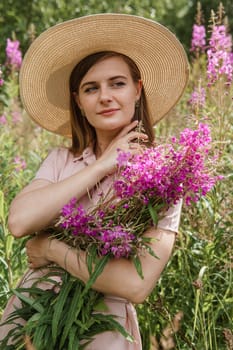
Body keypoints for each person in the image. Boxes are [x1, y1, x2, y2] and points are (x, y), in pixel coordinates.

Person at [0, 13, 189, 349]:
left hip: (102, 330)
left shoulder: (163, 180)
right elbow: (18, 221)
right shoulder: (61, 161)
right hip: (32, 318)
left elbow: (135, 285)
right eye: (91, 88)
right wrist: (101, 166)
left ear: (137, 90)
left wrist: (53, 249)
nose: (105, 96)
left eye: (117, 83)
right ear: (78, 101)